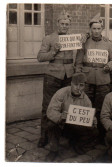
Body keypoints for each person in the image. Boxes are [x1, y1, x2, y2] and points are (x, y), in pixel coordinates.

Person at [75, 16, 112, 143]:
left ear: (102, 29)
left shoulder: (108, 43)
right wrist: (79, 77)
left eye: (99, 28)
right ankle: (86, 135)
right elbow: (78, 62)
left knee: (101, 108)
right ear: (90, 29)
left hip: (103, 79)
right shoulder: (84, 42)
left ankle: (100, 135)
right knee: (86, 107)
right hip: (87, 80)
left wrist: (109, 66)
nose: (96, 31)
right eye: (94, 28)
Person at [37, 11, 75, 148]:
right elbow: (40, 57)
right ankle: (44, 136)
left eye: (67, 24)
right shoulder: (49, 38)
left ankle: (64, 134)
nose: (64, 26)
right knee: (47, 106)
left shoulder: (73, 38)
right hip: (52, 77)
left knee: (67, 106)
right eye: (62, 23)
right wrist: (53, 52)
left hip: (68, 76)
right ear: (57, 24)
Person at [45, 73, 99, 162]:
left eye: (81, 85)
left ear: (84, 86)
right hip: (62, 124)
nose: (78, 88)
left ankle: (76, 146)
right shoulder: (61, 93)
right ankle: (53, 150)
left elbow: (88, 119)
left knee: (94, 132)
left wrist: (92, 121)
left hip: (74, 127)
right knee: (51, 124)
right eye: (76, 85)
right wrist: (60, 116)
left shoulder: (86, 101)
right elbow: (50, 111)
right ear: (71, 84)